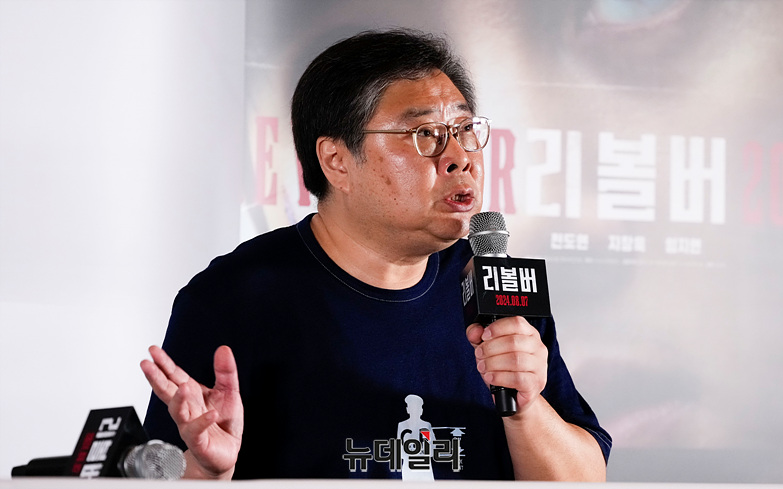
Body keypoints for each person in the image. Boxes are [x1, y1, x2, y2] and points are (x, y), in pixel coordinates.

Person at [140, 28, 611, 481]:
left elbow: (585, 479)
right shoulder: (234, 298)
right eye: (424, 133)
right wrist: (207, 474)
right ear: (337, 161)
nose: (460, 157)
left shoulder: (495, 285)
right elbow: (161, 473)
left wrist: (525, 406)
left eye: (465, 129)